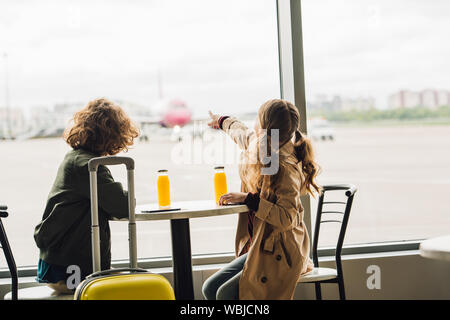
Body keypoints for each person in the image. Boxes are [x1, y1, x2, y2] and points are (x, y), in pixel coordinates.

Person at [202, 99, 321, 300]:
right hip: (262, 246)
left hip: (283, 252)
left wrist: (250, 200)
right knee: (210, 288)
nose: (254, 125)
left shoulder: (285, 168)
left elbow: (287, 218)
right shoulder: (263, 146)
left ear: (265, 127)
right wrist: (222, 121)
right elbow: (243, 134)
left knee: (224, 295)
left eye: (257, 119)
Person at [34, 98, 139, 294]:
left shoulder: (74, 158)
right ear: (113, 134)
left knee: (127, 280)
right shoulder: (90, 166)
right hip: (68, 268)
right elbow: (123, 206)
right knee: (134, 285)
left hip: (56, 263)